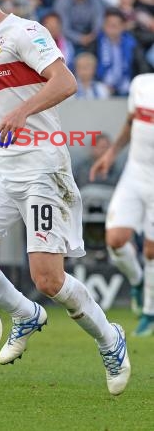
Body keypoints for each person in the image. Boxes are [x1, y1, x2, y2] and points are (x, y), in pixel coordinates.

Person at [0, 0, 130, 396]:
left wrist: (22, 113)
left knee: (49, 278)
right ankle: (25, 313)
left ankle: (110, 339)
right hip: (0, 168)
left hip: (43, 167)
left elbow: (65, 82)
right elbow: (2, 84)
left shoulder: (25, 31)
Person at [90, 73, 154, 336]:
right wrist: (112, 152)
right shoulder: (140, 83)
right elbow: (131, 122)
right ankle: (137, 279)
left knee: (151, 251)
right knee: (115, 239)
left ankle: (149, 313)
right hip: (135, 173)